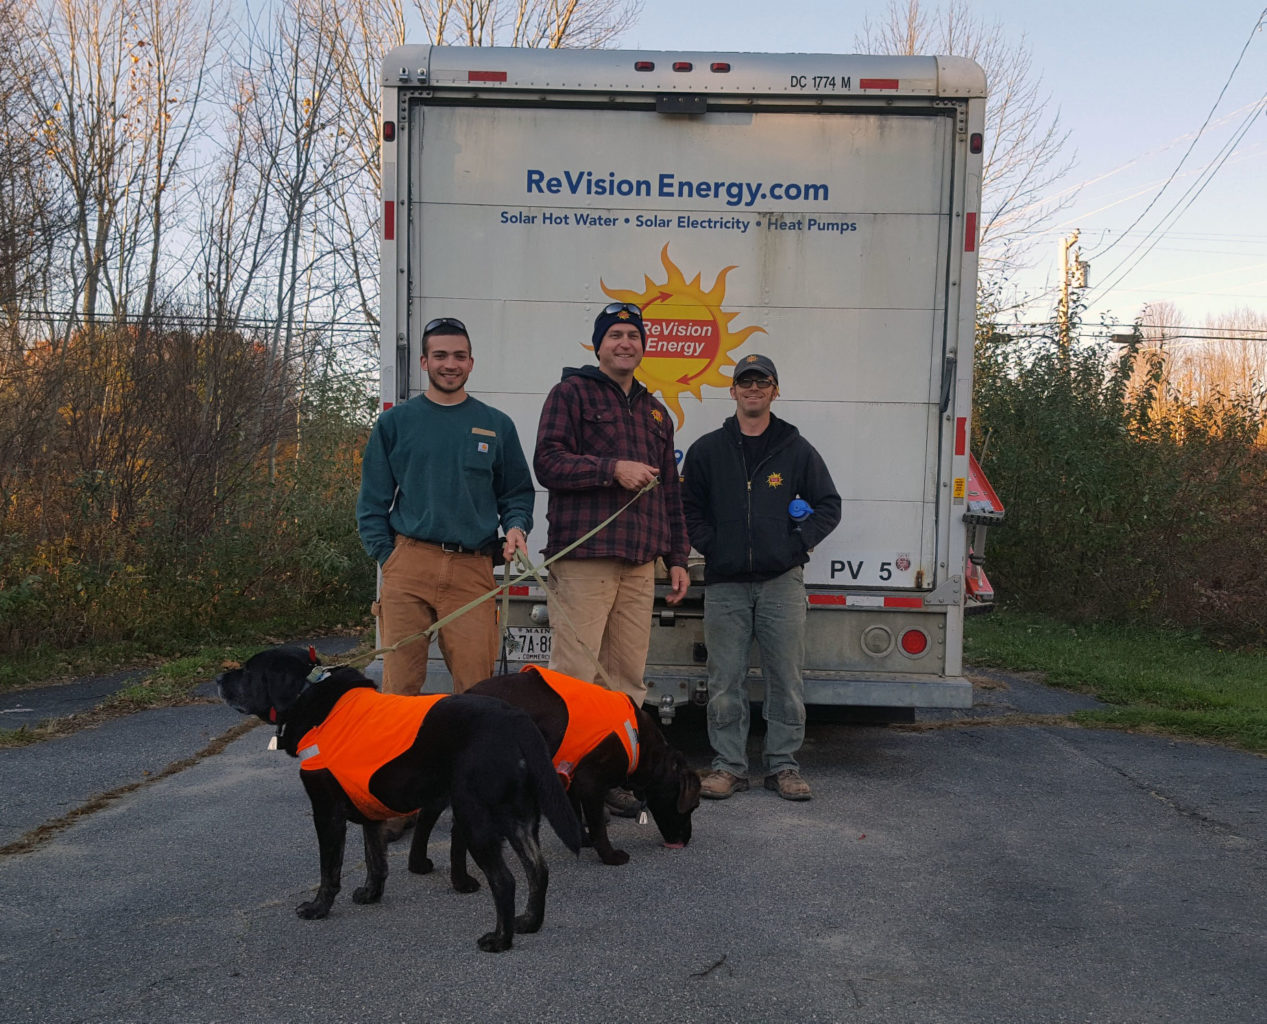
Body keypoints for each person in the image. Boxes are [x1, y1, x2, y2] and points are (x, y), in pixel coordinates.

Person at [534, 302, 691, 816]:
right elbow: (548, 462)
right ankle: (562, 781)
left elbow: (671, 491)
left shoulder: (655, 411)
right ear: (598, 345)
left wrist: (678, 557)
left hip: (641, 561)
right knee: (576, 677)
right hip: (585, 557)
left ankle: (608, 776)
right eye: (615, 335)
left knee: (625, 679)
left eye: (634, 336)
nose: (626, 343)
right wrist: (612, 468)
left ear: (643, 346)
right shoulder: (570, 394)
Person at [682, 353, 841, 802]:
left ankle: (783, 767)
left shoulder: (795, 449)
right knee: (724, 679)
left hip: (781, 582)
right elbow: (688, 507)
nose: (753, 389)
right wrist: (712, 545)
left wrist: (795, 545)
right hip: (726, 583)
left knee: (785, 679)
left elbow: (829, 504)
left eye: (762, 382)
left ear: (775, 391)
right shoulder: (707, 450)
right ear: (732, 391)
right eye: (745, 382)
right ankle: (728, 767)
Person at [357, 316, 534, 697]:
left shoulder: (496, 425)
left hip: (472, 571)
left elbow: (517, 492)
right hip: (408, 567)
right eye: (439, 356)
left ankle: (468, 758)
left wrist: (517, 526)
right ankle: (398, 758)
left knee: (478, 688)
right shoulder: (395, 423)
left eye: (459, 356)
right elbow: (372, 502)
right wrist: (388, 558)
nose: (449, 364)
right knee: (399, 687)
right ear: (424, 362)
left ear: (471, 362)